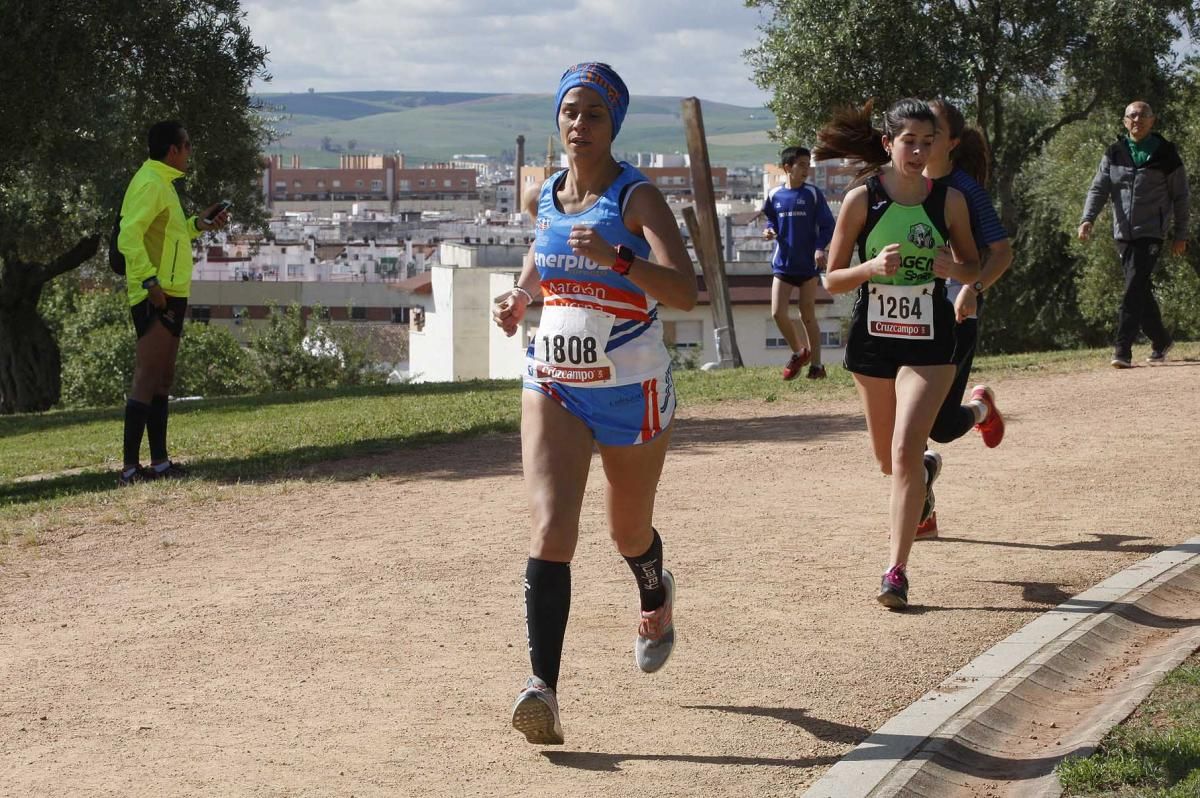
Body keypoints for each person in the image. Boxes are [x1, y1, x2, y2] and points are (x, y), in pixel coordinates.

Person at [492, 63, 697, 744]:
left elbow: (685, 292)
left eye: (594, 116)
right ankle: (542, 690)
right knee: (553, 531)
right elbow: (541, 253)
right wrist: (522, 297)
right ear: (558, 117)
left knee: (627, 534)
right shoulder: (541, 193)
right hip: (552, 380)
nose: (580, 126)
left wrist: (620, 260)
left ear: (615, 125)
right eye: (571, 112)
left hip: (630, 390)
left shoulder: (637, 199)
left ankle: (653, 591)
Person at [814, 99, 980, 609]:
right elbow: (832, 278)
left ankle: (895, 571)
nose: (918, 151)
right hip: (874, 340)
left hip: (930, 341)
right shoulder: (863, 199)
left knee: (905, 449)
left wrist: (947, 265)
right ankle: (925, 473)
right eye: (909, 141)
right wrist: (870, 271)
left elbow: (974, 267)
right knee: (890, 461)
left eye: (927, 142)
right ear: (889, 144)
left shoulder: (948, 201)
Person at [915, 99, 1014, 540]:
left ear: (951, 142)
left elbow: (1002, 253)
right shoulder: (902, 185)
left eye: (933, 130)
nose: (923, 137)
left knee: (939, 424)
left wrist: (971, 290)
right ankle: (921, 509)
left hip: (956, 310)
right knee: (902, 418)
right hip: (906, 317)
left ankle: (980, 408)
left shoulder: (966, 192)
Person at [117, 120, 230, 486]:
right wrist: (150, 282)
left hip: (173, 291)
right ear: (173, 150)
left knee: (163, 378)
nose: (189, 153)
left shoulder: (162, 182)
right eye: (187, 146)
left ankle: (160, 463)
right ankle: (130, 470)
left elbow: (171, 232)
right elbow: (128, 236)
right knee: (147, 377)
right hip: (156, 293)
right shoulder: (150, 183)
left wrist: (199, 223)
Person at [1079, 100, 1189, 368]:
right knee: (1138, 288)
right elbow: (1098, 188)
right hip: (1122, 233)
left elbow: (1181, 196)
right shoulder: (1114, 152)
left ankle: (1122, 349)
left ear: (1153, 121)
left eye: (1142, 116)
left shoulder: (1166, 154)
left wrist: (1180, 234)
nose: (1136, 120)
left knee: (1132, 288)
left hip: (1152, 232)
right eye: (1131, 116)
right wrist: (1087, 218)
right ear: (1124, 121)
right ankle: (1161, 339)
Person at [762, 146, 835, 379]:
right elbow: (770, 220)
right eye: (801, 165)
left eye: (808, 165)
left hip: (808, 266)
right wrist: (769, 230)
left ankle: (817, 366)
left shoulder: (812, 194)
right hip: (783, 264)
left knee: (807, 315)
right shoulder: (774, 195)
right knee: (777, 313)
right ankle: (799, 351)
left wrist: (819, 249)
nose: (806, 169)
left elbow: (828, 225)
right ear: (787, 168)